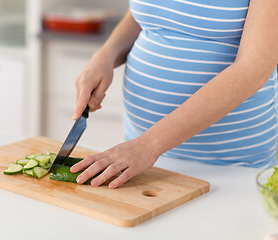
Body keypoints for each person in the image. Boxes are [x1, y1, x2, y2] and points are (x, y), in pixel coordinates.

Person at [70, 0, 278, 189]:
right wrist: (105, 55)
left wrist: (150, 145)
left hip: (229, 165)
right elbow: (149, 14)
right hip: (140, 153)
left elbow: (252, 70)